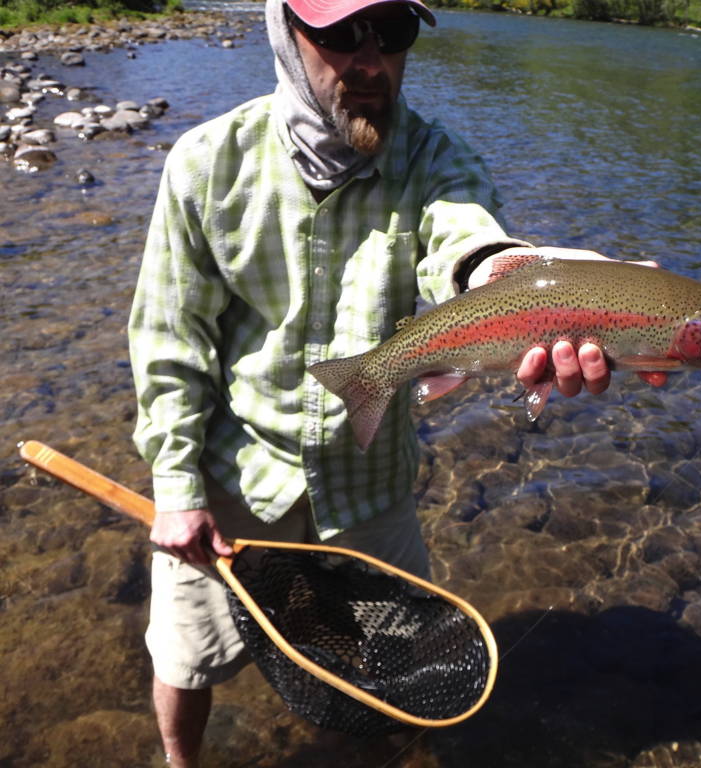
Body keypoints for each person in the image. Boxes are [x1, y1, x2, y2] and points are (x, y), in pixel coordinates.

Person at [127, 0, 626, 764]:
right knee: (188, 656)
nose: (370, 61)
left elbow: (468, 239)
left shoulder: (436, 158)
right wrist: (177, 487)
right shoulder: (203, 163)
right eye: (338, 34)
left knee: (379, 670)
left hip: (369, 486)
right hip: (234, 477)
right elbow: (170, 340)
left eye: (390, 34)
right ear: (284, 36)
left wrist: (516, 282)